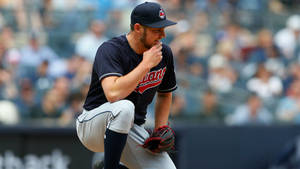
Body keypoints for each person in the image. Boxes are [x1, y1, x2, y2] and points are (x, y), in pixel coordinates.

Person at [76, 2, 177, 169]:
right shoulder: (111, 49)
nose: (163, 35)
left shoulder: (163, 53)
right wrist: (145, 65)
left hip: (129, 129)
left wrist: (160, 128)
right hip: (93, 124)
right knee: (124, 108)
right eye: (156, 30)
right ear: (138, 28)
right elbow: (113, 94)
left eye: (163, 29)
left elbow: (165, 93)